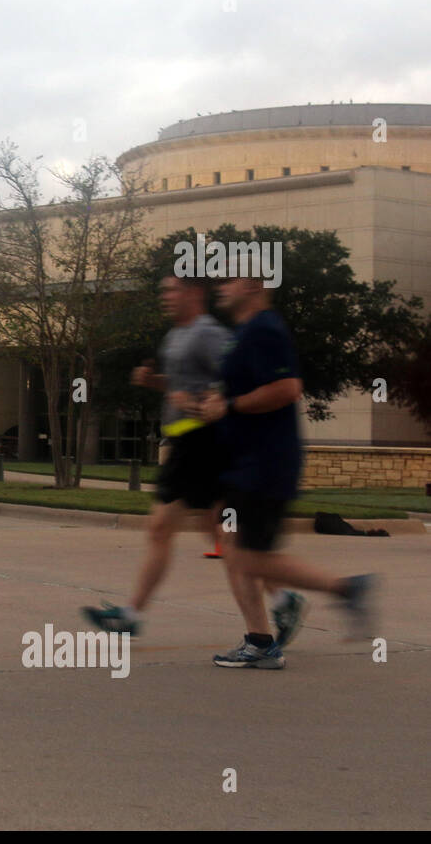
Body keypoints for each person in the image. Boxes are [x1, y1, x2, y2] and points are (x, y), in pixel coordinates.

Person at [197, 273, 374, 668]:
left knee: (247, 556)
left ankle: (345, 589)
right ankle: (260, 640)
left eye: (230, 279)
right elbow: (236, 391)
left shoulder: (265, 329)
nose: (220, 286)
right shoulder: (243, 334)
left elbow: (288, 388)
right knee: (230, 543)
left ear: (254, 285)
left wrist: (230, 406)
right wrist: (215, 402)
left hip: (264, 464)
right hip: (241, 463)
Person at [82, 273, 236, 636]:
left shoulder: (208, 333)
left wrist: (201, 402)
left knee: (164, 528)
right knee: (214, 531)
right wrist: (155, 382)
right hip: (186, 442)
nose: (165, 296)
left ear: (194, 292)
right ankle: (280, 598)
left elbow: (236, 378)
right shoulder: (176, 335)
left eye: (171, 289)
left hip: (203, 441)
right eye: (163, 289)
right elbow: (182, 386)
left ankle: (131, 615)